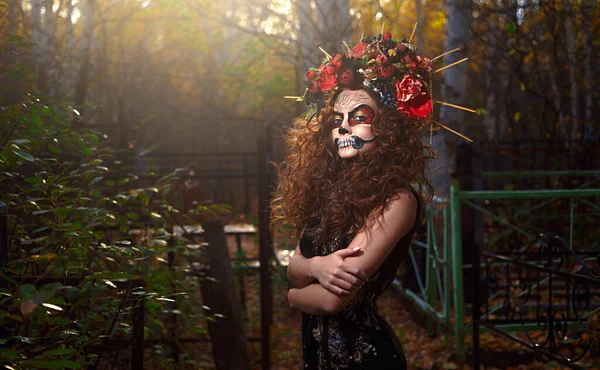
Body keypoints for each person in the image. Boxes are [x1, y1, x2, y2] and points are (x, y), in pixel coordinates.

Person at [272, 32, 436, 369]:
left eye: (359, 118)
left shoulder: (397, 199)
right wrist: (315, 266)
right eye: (336, 121)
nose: (344, 129)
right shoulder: (329, 190)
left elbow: (332, 300)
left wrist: (292, 296)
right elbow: (296, 267)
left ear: (387, 126)